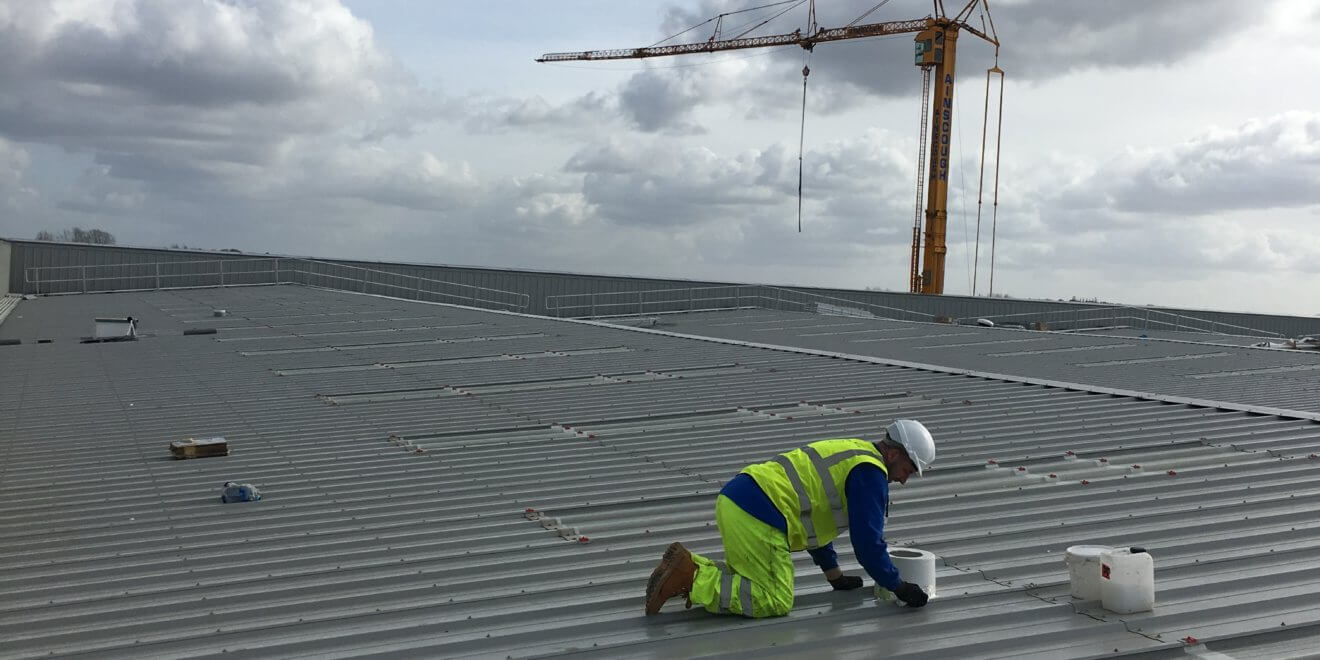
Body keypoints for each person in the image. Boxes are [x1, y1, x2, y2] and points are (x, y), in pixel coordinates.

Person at [644, 419, 935, 617]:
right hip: (761, 514)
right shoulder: (871, 473)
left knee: (749, 581)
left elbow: (813, 519)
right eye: (909, 471)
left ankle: (686, 566)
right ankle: (691, 577)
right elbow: (868, 543)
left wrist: (833, 575)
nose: (904, 481)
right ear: (895, 454)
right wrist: (899, 586)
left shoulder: (854, 453)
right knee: (774, 599)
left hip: (738, 501)